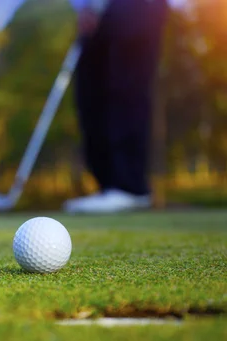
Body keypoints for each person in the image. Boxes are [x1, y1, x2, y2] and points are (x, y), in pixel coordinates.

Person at [63, 0, 175, 214]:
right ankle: (108, 186)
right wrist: (83, 6)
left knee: (126, 89)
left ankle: (129, 186)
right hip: (95, 9)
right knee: (91, 95)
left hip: (138, 6)